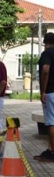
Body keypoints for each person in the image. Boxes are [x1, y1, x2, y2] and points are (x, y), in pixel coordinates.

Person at [35, 32, 54, 162]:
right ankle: (49, 148)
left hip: (51, 92)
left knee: (51, 122)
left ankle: (52, 151)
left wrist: (43, 90)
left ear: (44, 42)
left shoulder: (47, 53)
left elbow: (46, 70)